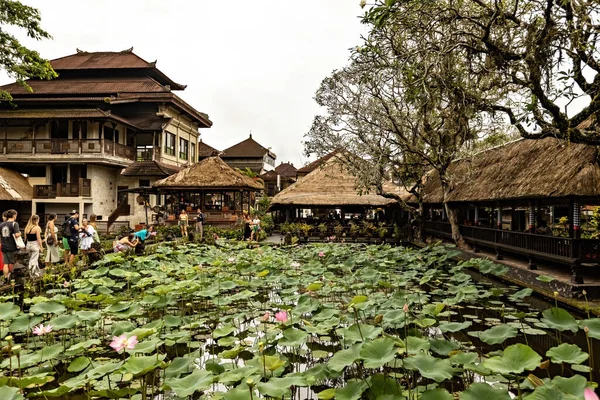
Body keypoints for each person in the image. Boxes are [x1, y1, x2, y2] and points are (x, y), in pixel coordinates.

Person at [0, 209, 21, 281]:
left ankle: (5, 278)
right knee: (15, 262)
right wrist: (20, 233)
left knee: (6, 263)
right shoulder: (15, 224)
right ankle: (14, 277)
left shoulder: (1, 224)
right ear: (14, 215)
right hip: (13, 246)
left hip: (4, 246)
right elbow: (17, 235)